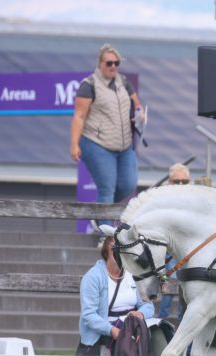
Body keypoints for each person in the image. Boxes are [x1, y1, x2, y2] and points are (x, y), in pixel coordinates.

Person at [70, 43, 145, 226]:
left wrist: (140, 115)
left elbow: (137, 105)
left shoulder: (124, 83)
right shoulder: (89, 85)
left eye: (116, 63)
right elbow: (79, 116)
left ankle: (98, 214)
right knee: (107, 188)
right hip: (96, 143)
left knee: (128, 185)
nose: (113, 67)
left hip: (125, 144)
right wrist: (74, 143)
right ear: (100, 64)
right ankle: (106, 236)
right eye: (109, 63)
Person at [76, 234, 154, 356]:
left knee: (159, 331)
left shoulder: (134, 275)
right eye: (115, 250)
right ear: (106, 253)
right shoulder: (93, 277)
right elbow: (89, 316)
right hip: (107, 326)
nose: (119, 254)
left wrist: (141, 313)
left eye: (122, 251)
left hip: (133, 322)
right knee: (126, 335)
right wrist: (112, 330)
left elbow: (148, 305)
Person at [157, 163, 191, 319]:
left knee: (186, 280)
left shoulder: (193, 198)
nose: (181, 185)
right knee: (172, 276)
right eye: (177, 181)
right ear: (170, 182)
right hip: (168, 247)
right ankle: (163, 317)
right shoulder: (162, 197)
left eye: (184, 181)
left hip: (190, 248)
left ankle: (182, 318)